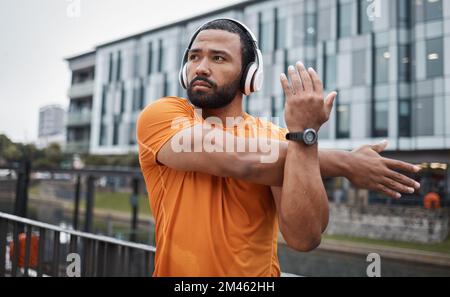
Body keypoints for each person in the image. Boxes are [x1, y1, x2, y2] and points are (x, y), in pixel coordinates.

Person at [137, 18, 421, 277]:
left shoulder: (282, 138)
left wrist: (302, 135)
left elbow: (304, 238)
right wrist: (346, 162)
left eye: (218, 58)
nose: (200, 66)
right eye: (194, 56)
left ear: (249, 75)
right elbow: (239, 159)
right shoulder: (162, 116)